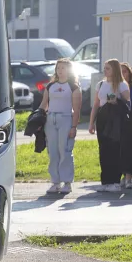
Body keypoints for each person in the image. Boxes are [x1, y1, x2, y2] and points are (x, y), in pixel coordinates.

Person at [39, 58, 82, 195]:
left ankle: (67, 182)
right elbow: (44, 104)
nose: (60, 71)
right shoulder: (50, 86)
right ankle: (55, 182)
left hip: (66, 119)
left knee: (65, 151)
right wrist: (38, 118)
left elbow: (77, 109)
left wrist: (74, 127)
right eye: (58, 68)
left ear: (69, 70)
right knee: (52, 151)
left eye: (63, 68)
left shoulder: (73, 87)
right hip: (51, 120)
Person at [88, 59, 131, 192]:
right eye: (105, 68)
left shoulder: (122, 84)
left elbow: (128, 102)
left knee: (114, 149)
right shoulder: (100, 84)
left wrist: (116, 100)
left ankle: (115, 181)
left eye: (108, 68)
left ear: (114, 70)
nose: (105, 71)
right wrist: (91, 123)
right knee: (104, 149)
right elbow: (96, 104)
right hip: (103, 117)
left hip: (116, 119)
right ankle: (105, 181)